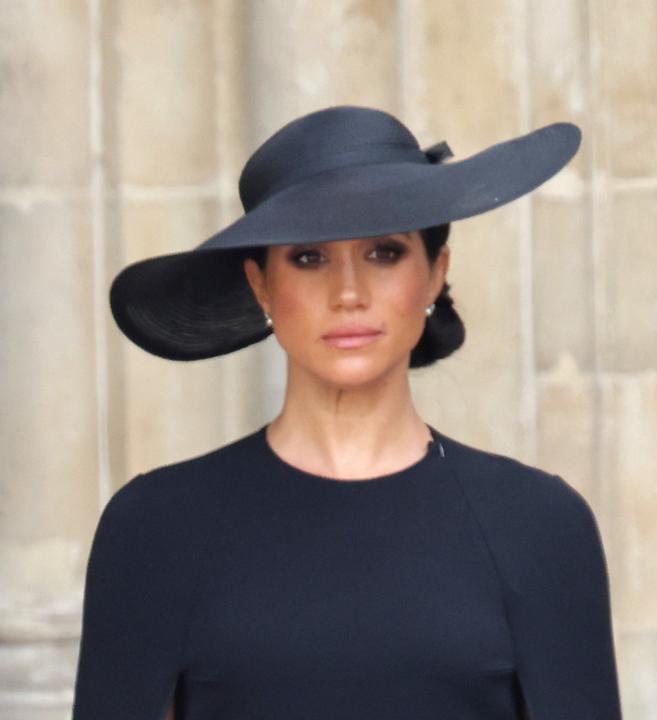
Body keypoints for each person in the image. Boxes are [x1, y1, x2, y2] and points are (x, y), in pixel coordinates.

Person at [73, 106, 621, 720]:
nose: (349, 293)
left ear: (437, 272)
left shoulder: (539, 524)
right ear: (260, 285)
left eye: (384, 252)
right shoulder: (156, 527)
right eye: (309, 257)